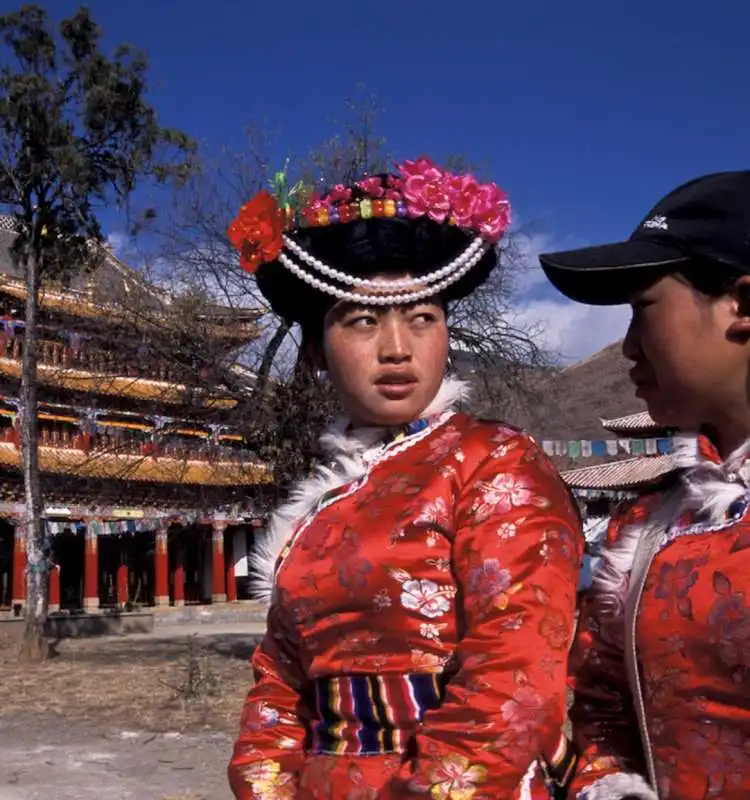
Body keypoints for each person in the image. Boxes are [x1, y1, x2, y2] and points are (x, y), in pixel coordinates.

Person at [226, 157, 583, 798]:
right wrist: (268, 784)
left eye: (423, 318)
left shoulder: (493, 461)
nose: (397, 347)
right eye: (363, 321)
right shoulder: (318, 507)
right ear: (314, 352)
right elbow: (279, 680)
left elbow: (517, 669)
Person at [539, 170, 750, 800]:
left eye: (643, 310)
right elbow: (603, 705)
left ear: (741, 303)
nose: (628, 347)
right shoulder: (648, 530)